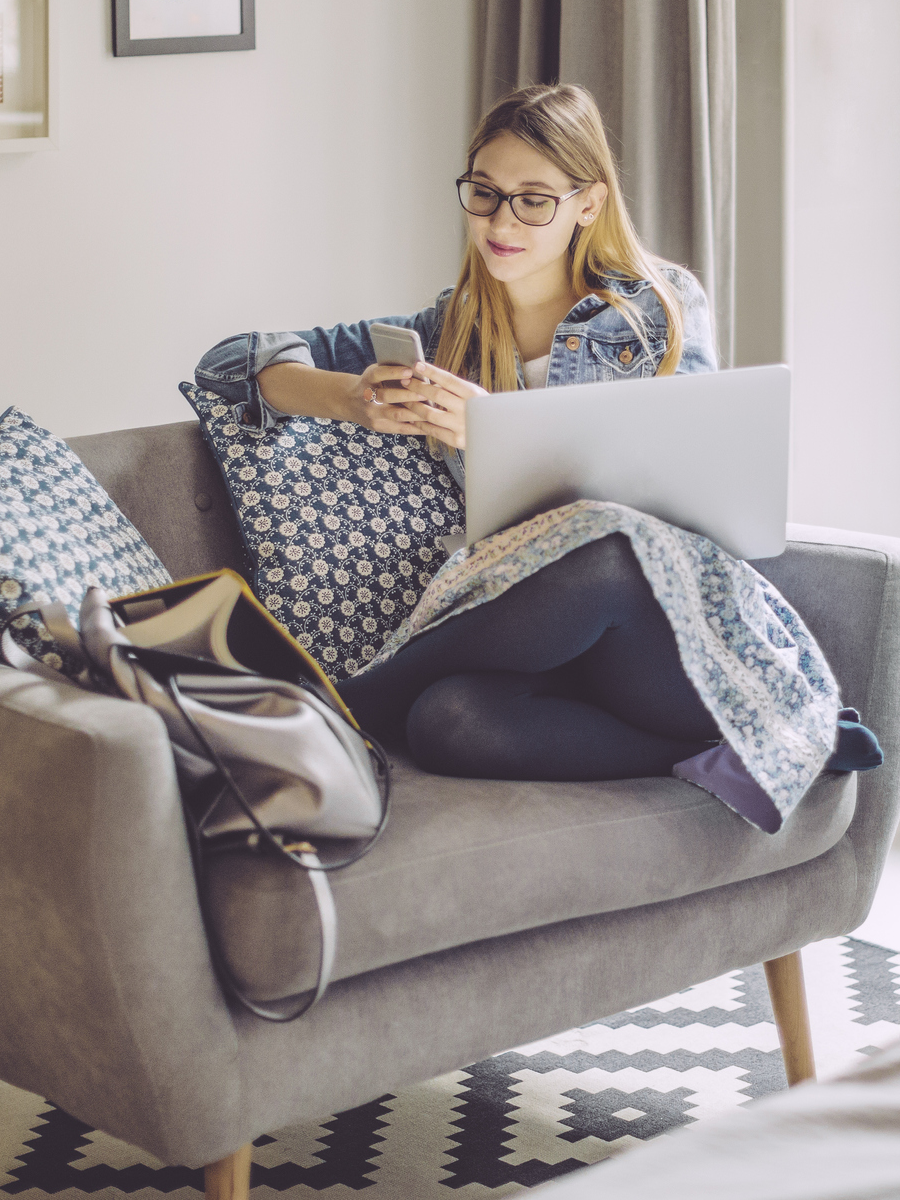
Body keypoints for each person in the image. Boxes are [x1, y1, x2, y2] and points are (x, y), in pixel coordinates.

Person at [194, 83, 722, 782]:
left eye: (533, 199)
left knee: (603, 549)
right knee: (446, 723)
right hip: (546, 651)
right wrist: (352, 399)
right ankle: (727, 757)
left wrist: (500, 432)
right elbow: (229, 363)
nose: (501, 220)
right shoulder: (451, 331)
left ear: (587, 204)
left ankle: (333, 707)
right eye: (484, 191)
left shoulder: (657, 309)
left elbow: (683, 504)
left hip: (659, 633)